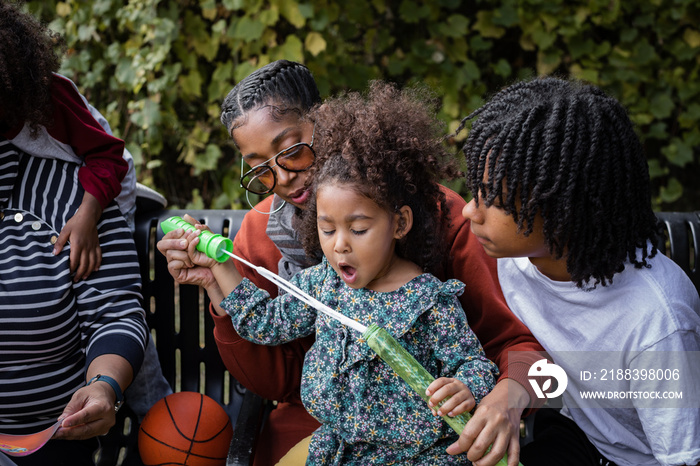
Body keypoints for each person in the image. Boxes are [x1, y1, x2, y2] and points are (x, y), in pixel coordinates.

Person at [158, 60, 544, 466]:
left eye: (290, 150)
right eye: (259, 168)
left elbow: (506, 346)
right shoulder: (263, 237)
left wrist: (496, 393)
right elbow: (273, 376)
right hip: (330, 434)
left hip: (427, 442)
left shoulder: (438, 216)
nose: (283, 177)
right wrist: (217, 286)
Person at [457, 76, 700, 466]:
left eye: (495, 199)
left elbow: (683, 457)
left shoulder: (657, 321)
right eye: (475, 191)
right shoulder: (510, 258)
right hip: (576, 436)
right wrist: (517, 390)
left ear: (562, 207)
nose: (471, 211)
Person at [0, 0, 171, 424]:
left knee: (111, 291)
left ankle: (149, 411)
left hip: (107, 185)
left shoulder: (50, 97)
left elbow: (109, 158)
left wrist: (88, 215)